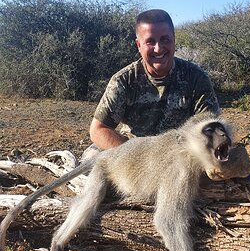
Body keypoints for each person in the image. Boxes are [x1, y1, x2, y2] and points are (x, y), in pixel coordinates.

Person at [87, 9, 220, 154]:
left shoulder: (196, 78)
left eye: (165, 40)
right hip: (133, 152)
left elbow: (211, 128)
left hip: (180, 154)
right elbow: (98, 130)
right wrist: (136, 157)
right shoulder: (123, 80)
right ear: (139, 45)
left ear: (174, 39)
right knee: (91, 157)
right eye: (150, 41)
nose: (158, 48)